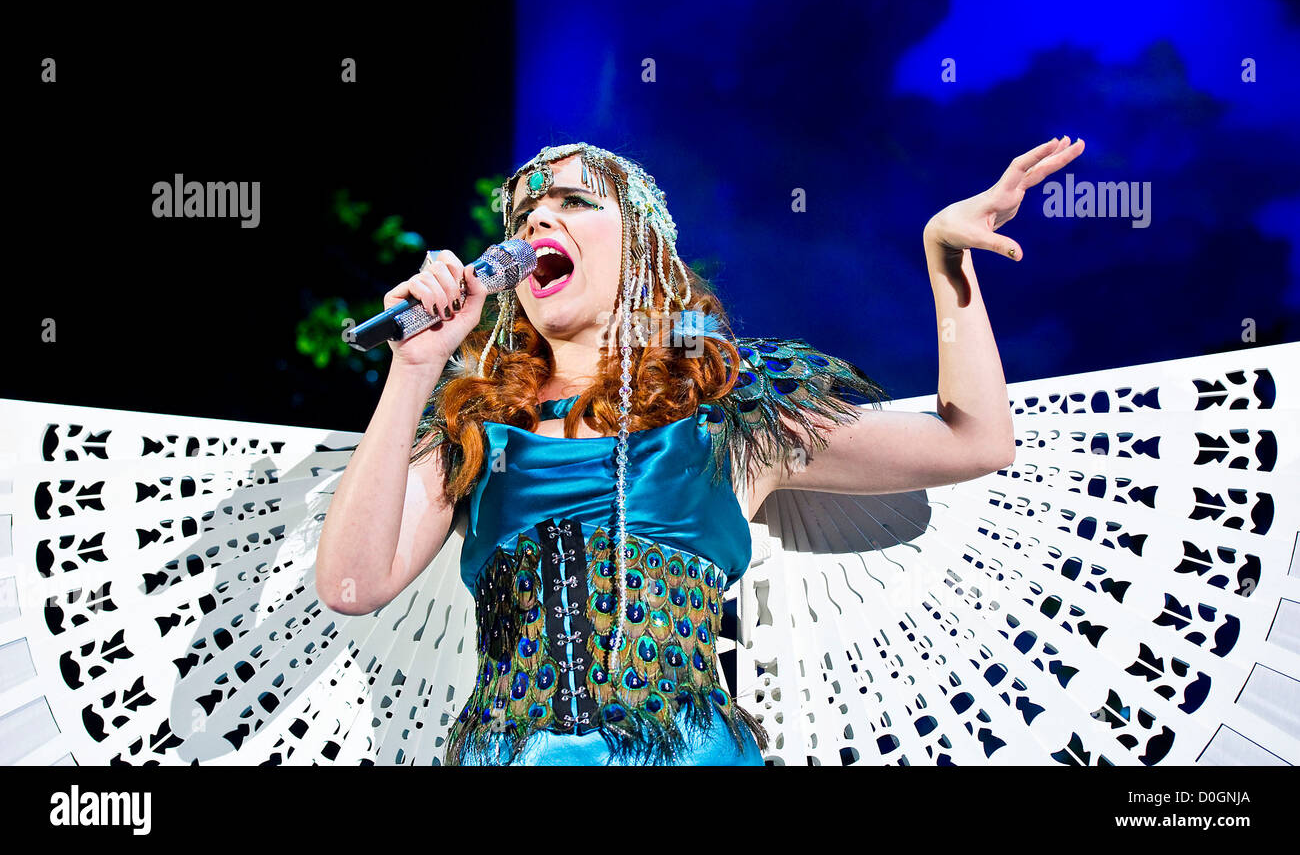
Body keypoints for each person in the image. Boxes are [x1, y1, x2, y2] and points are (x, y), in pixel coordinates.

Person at [315, 137, 1085, 766]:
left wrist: (946, 259)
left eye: (574, 203)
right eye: (522, 214)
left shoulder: (729, 416)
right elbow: (351, 584)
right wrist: (416, 369)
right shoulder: (472, 429)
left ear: (642, 244)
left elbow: (975, 439)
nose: (535, 224)